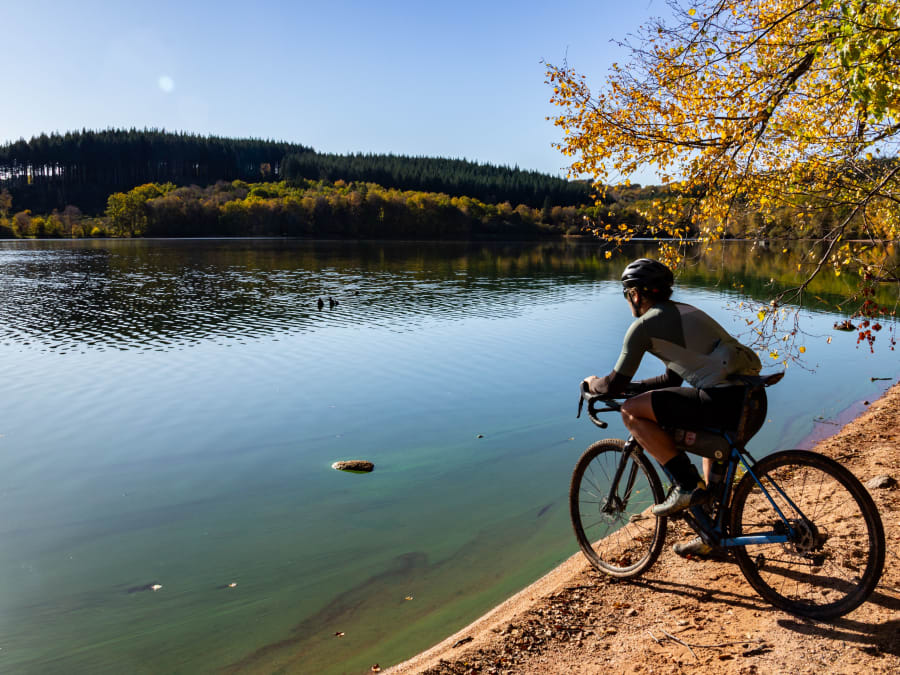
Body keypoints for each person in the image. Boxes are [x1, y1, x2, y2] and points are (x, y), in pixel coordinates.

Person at [583, 258, 762, 557]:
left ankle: (686, 484)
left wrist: (591, 384)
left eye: (628, 294)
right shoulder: (685, 312)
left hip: (722, 402)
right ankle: (713, 536)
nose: (629, 300)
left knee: (629, 410)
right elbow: (670, 378)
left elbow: (612, 386)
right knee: (714, 453)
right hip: (751, 401)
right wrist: (636, 387)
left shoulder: (644, 326)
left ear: (636, 294)